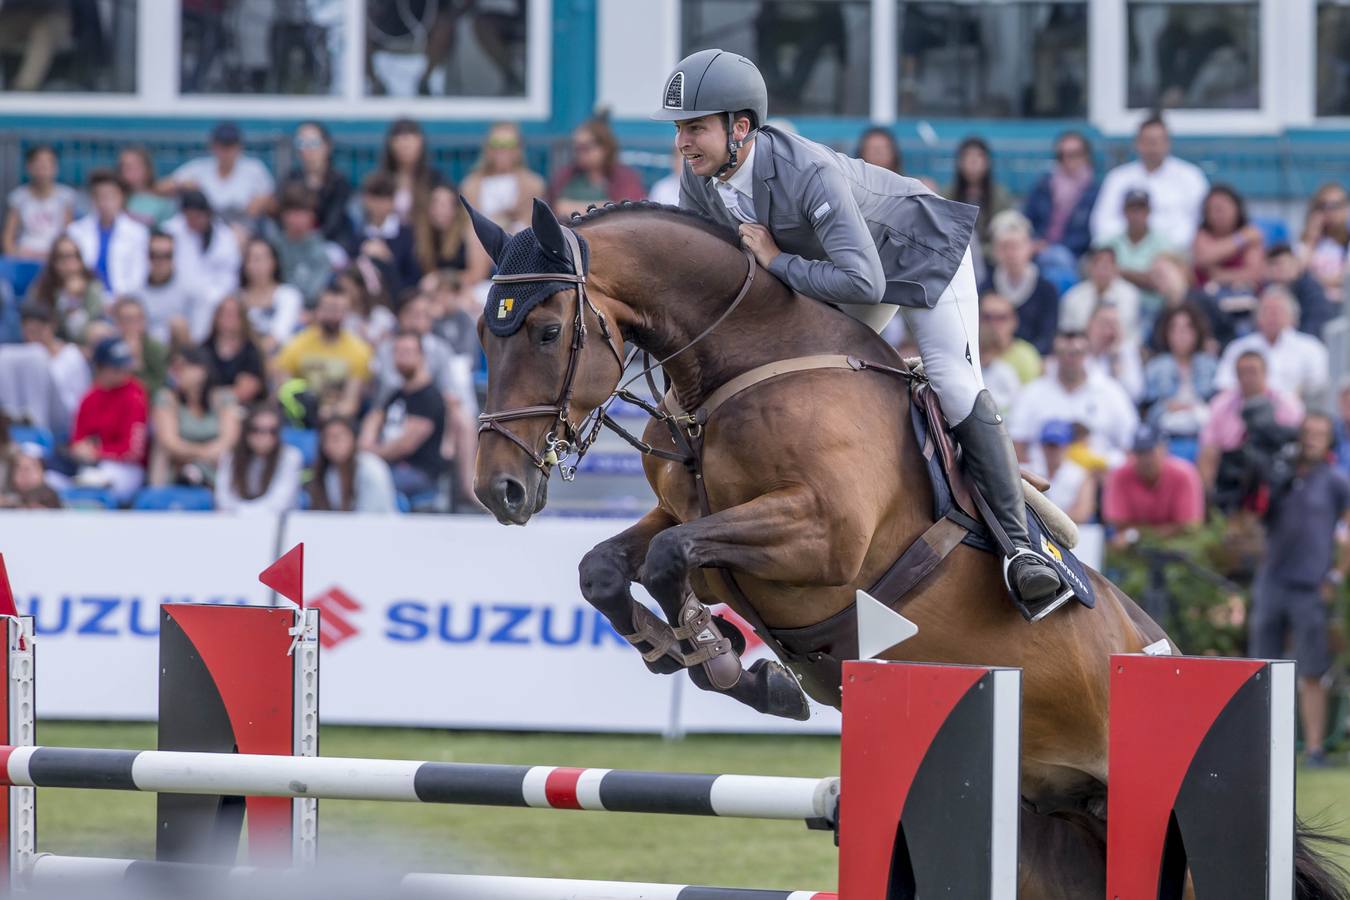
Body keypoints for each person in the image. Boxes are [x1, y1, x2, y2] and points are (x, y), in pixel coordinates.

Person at [656, 48, 1064, 617]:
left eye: (694, 128)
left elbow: (865, 281)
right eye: (680, 129)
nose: (683, 143)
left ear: (740, 127)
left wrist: (774, 262)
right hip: (838, 274)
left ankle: (1022, 552)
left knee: (951, 377)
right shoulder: (699, 179)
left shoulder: (806, 170)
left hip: (918, 260)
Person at [1249, 412, 1349, 767]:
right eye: (1308, 432)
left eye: (1320, 433)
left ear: (1329, 439)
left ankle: (1315, 748)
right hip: (1272, 581)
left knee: (1311, 670)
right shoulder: (1281, 476)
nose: (1312, 439)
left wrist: (1336, 574)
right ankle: (1263, 748)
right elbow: (1255, 515)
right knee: (1262, 667)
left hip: (1310, 586)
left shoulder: (1335, 482)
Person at [1008, 330, 1139, 472]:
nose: (1070, 359)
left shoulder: (1111, 392)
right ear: (1054, 355)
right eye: (1063, 353)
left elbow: (1131, 445)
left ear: (1087, 354)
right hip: (1043, 482)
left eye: (1077, 353)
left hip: (1100, 479)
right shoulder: (1031, 393)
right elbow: (1016, 448)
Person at [1091, 115, 1209, 250]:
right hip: (1124, 255)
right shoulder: (1118, 178)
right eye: (1148, 141)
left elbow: (1197, 222)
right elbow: (1102, 223)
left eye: (1157, 141)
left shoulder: (1191, 176)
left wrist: (1164, 249)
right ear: (1137, 144)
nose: (1153, 147)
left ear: (1168, 143)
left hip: (1174, 254)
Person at [1197, 349, 1304, 498]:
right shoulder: (1221, 404)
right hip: (1232, 470)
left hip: (1272, 469)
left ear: (1265, 372)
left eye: (1252, 371)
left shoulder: (1286, 403)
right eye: (1242, 372)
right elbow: (1209, 447)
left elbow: (1298, 441)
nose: (1247, 377)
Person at [359, 330, 446, 501]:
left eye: (407, 352)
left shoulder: (429, 396)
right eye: (397, 352)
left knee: (368, 482)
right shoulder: (396, 394)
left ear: (421, 356)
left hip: (417, 472)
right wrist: (366, 444)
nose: (401, 358)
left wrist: (371, 454)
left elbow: (405, 445)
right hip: (386, 465)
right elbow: (374, 418)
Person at [1214, 285, 1330, 405]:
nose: (1272, 316)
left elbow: (1319, 386)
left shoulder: (1311, 347)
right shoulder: (1239, 348)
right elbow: (1225, 385)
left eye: (1278, 311)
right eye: (1267, 311)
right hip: (1247, 414)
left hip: (1298, 415)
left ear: (1293, 317)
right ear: (1257, 317)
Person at [274, 284, 373, 421]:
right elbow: (283, 388)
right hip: (299, 416)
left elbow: (351, 403)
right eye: (328, 309)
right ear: (317, 310)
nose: (333, 315)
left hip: (337, 419)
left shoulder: (359, 350)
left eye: (339, 310)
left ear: (347, 312)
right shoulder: (296, 344)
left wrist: (328, 413)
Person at [67, 336, 148, 503]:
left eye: (125, 366)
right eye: (116, 367)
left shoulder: (135, 394)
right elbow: (77, 440)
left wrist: (98, 453)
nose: (124, 372)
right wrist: (81, 449)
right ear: (100, 367)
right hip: (89, 465)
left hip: (126, 468)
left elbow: (133, 451)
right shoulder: (89, 398)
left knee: (100, 482)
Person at [149, 345, 240, 487]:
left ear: (202, 370)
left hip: (217, 468)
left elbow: (228, 440)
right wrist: (205, 453)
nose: (175, 372)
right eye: (172, 367)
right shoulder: (166, 398)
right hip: (177, 468)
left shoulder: (224, 398)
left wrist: (199, 454)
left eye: (182, 367)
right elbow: (170, 442)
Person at [1103, 424, 1205, 546]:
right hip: (1133, 548)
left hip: (1179, 546)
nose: (1145, 459)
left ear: (1164, 450)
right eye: (1140, 453)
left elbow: (1189, 526)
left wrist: (1136, 533)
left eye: (1150, 452)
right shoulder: (1119, 475)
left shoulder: (1185, 474)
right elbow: (1117, 523)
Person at [158, 122, 275, 225]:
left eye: (230, 145)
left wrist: (262, 202)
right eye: (222, 145)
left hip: (241, 224)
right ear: (213, 146)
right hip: (204, 226)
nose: (226, 151)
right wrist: (182, 185)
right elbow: (159, 188)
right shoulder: (198, 168)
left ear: (239, 146)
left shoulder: (254, 168)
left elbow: (273, 203)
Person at [1142, 304, 1218, 459]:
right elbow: (1147, 409)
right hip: (1167, 432)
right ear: (1167, 334)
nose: (1181, 335)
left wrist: (1195, 406)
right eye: (1175, 330)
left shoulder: (1210, 364)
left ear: (1196, 332)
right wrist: (1166, 406)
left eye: (1187, 329)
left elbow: (1216, 402)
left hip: (1202, 431)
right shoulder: (1156, 366)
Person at [983, 210, 1060, 355]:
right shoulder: (986, 287)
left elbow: (1048, 335)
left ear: (1029, 247)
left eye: (1016, 246)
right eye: (1005, 247)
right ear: (995, 250)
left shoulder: (1046, 290)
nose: (1011, 253)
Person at [1022, 130, 1099, 271]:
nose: (1068, 160)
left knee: (1058, 259)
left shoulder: (1094, 191)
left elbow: (1088, 233)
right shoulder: (1044, 185)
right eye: (1062, 155)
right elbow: (1027, 218)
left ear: (1086, 156)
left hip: (1075, 254)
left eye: (1075, 154)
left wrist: (1054, 247)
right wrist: (1035, 242)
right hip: (1039, 248)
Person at [66, 169, 149, 298]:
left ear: (122, 197)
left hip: (124, 301)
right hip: (84, 299)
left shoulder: (138, 232)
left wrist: (120, 301)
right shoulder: (75, 231)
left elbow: (139, 275)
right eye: (100, 197)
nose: (105, 203)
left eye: (111, 196)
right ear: (92, 199)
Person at [1101, 189, 1174, 334]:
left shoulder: (1164, 243)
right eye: (1132, 210)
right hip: (1116, 307)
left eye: (1141, 210)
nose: (1136, 215)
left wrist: (1120, 271)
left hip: (1152, 308)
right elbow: (1093, 269)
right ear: (1124, 212)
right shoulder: (1108, 242)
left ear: (1148, 212)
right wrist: (1141, 277)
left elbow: (1158, 282)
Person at [162, 190, 242, 317]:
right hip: (177, 298)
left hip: (215, 301)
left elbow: (229, 275)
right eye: (189, 217)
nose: (193, 221)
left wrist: (214, 297)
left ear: (208, 214)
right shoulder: (170, 232)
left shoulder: (225, 237)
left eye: (197, 217)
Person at [548, 115, 646, 215]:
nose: (580, 153)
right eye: (576, 148)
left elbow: (628, 210)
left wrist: (575, 207)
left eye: (586, 148)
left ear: (605, 148)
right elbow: (557, 207)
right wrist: (605, 207)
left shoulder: (624, 177)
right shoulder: (567, 176)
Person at [458, 122, 546, 234]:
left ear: (519, 149)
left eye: (509, 143)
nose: (502, 149)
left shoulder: (534, 184)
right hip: (482, 238)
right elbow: (468, 219)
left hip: (517, 240)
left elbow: (531, 219)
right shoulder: (470, 185)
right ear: (487, 149)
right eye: (496, 143)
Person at [277, 121, 353, 248]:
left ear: (327, 146)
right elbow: (281, 216)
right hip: (293, 242)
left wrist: (311, 241)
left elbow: (334, 223)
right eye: (301, 143)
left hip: (329, 243)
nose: (307, 149)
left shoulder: (339, 182)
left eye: (313, 143)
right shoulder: (290, 179)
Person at [215, 404, 302, 513]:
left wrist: (240, 512)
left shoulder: (290, 457)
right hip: (236, 523)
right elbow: (224, 499)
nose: (265, 437)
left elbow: (280, 503)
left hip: (278, 523)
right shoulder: (230, 456)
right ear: (246, 431)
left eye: (272, 431)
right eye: (257, 430)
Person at [17, 302, 89, 434]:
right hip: (34, 426)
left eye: (39, 330)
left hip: (68, 425)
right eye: (29, 331)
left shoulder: (71, 355)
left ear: (52, 327)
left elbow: (82, 395)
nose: (34, 336)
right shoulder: (22, 359)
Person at [307, 416, 398, 513]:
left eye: (337, 438)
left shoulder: (371, 468)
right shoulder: (328, 473)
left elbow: (372, 515)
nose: (332, 444)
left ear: (353, 438)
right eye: (327, 439)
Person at [25, 233, 105, 341]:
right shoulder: (42, 287)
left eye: (74, 256)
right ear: (53, 261)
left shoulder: (92, 286)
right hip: (50, 345)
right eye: (63, 257)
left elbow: (81, 332)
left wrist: (73, 299)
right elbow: (33, 321)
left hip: (85, 344)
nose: (69, 263)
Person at [945, 136, 1012, 264]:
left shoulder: (1000, 194)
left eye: (979, 156)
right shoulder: (947, 194)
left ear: (987, 162)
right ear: (959, 162)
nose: (973, 161)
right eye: (968, 156)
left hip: (993, 257)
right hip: (956, 257)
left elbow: (1006, 230)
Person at [2, 144, 76, 260]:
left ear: (55, 168)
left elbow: (69, 233)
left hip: (55, 255)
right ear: (28, 167)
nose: (43, 168)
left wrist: (60, 255)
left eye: (48, 164)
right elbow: (8, 235)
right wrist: (13, 255)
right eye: (38, 163)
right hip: (24, 253)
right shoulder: (18, 197)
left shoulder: (66, 196)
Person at [353, 172, 421, 298]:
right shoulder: (358, 233)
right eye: (374, 198)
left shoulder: (406, 234)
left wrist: (388, 259)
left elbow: (413, 277)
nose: (378, 205)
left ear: (393, 201)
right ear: (365, 200)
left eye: (384, 199)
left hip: (398, 298)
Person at [238, 236, 304, 355]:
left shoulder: (289, 295)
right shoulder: (237, 298)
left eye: (263, 259)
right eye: (252, 259)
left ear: (274, 262)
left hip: (280, 359)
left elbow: (279, 334)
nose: (258, 265)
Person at [270, 184, 334, 307]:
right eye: (292, 213)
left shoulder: (321, 250)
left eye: (302, 213)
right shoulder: (272, 246)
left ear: (312, 216)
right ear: (283, 215)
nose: (297, 219)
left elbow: (316, 292)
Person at [1192, 185, 1264, 292]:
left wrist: (1221, 275)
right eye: (1211, 210)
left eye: (1221, 209)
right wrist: (1241, 238)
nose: (1216, 215)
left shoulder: (1251, 233)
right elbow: (1203, 258)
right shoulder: (1202, 235)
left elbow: (1255, 274)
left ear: (1237, 208)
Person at [135, 230, 199, 348]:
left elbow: (197, 334)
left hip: (179, 353)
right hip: (144, 351)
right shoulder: (135, 291)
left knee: (178, 324)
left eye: (166, 255)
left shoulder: (190, 289)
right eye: (154, 255)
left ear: (174, 257)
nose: (159, 261)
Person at [1059, 245, 1141, 335]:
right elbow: (1067, 330)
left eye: (1107, 266)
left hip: (1119, 344)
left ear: (1116, 268)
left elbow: (1125, 327)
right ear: (1089, 267)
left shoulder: (1130, 294)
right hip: (1082, 346)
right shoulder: (1073, 296)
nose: (1102, 270)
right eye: (1097, 265)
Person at [201, 295, 266, 405]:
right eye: (224, 314)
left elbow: (246, 391)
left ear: (242, 319)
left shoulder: (251, 351)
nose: (228, 319)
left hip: (246, 408)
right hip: (207, 409)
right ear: (216, 317)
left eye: (233, 315)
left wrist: (218, 396)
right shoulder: (204, 349)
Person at [378, 117, 441, 229]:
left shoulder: (434, 179)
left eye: (409, 141)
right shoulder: (382, 180)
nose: (405, 146)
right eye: (399, 140)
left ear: (420, 143)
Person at [1266, 243, 1334, 340]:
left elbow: (1314, 328)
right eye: (1271, 265)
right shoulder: (1269, 291)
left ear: (1296, 265)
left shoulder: (1312, 291)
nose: (1275, 270)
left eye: (1280, 265)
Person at [1298, 181, 1350, 302]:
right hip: (1311, 301)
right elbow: (1298, 273)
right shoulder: (1308, 241)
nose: (1329, 211)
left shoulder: (1346, 241)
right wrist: (1311, 238)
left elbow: (1346, 278)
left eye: (1335, 205)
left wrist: (1315, 282)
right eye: (1323, 206)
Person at [109, 295, 169, 398]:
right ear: (118, 323)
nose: (135, 325)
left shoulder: (156, 349)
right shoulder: (110, 348)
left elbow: (158, 387)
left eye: (139, 319)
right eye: (128, 320)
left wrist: (137, 363)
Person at [1038, 419, 1096, 523]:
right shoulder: (1027, 470)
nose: (1053, 450)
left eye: (1057, 445)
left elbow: (1082, 514)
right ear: (1042, 445)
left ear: (1067, 446)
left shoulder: (1081, 475)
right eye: (1049, 445)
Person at [1084, 303, 1144, 401]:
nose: (1108, 331)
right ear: (1090, 324)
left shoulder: (1125, 350)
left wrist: (1115, 359)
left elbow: (1135, 394)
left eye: (1113, 325)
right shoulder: (1078, 348)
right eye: (1104, 323)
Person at [117, 145, 176, 228]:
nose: (126, 170)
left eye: (132, 166)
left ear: (147, 169)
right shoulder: (113, 198)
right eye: (123, 166)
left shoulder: (163, 202)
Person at [0, 443, 61, 509]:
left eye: (30, 468)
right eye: (19, 468)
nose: (24, 474)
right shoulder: (6, 494)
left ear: (42, 471)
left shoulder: (51, 496)